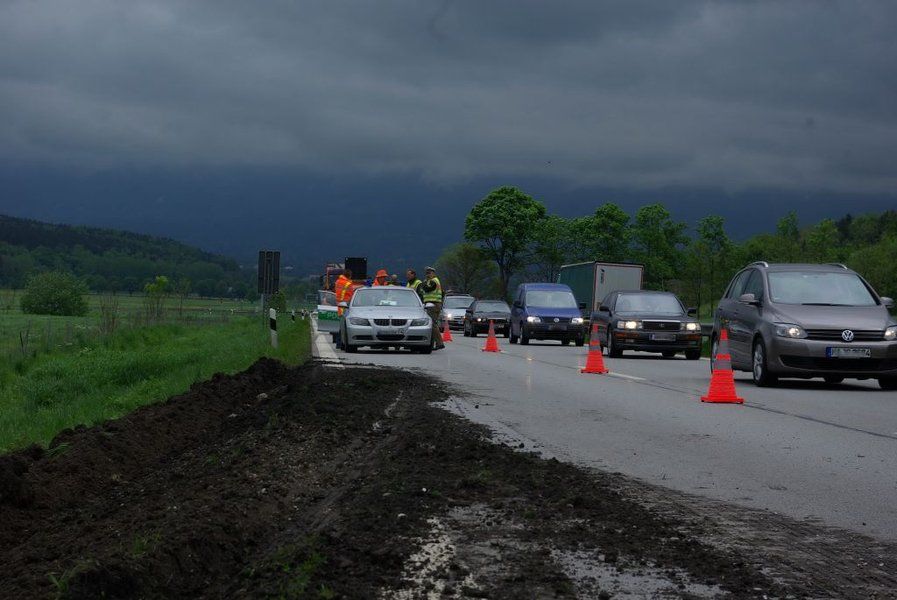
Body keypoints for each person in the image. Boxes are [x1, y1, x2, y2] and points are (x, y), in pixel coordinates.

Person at [420, 266, 445, 350]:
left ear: (433, 273)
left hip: (433, 305)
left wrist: (423, 284)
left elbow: (427, 289)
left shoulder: (434, 281)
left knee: (432, 324)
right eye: (426, 273)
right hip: (433, 304)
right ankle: (435, 343)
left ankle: (439, 343)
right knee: (433, 324)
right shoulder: (430, 281)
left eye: (429, 273)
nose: (427, 275)